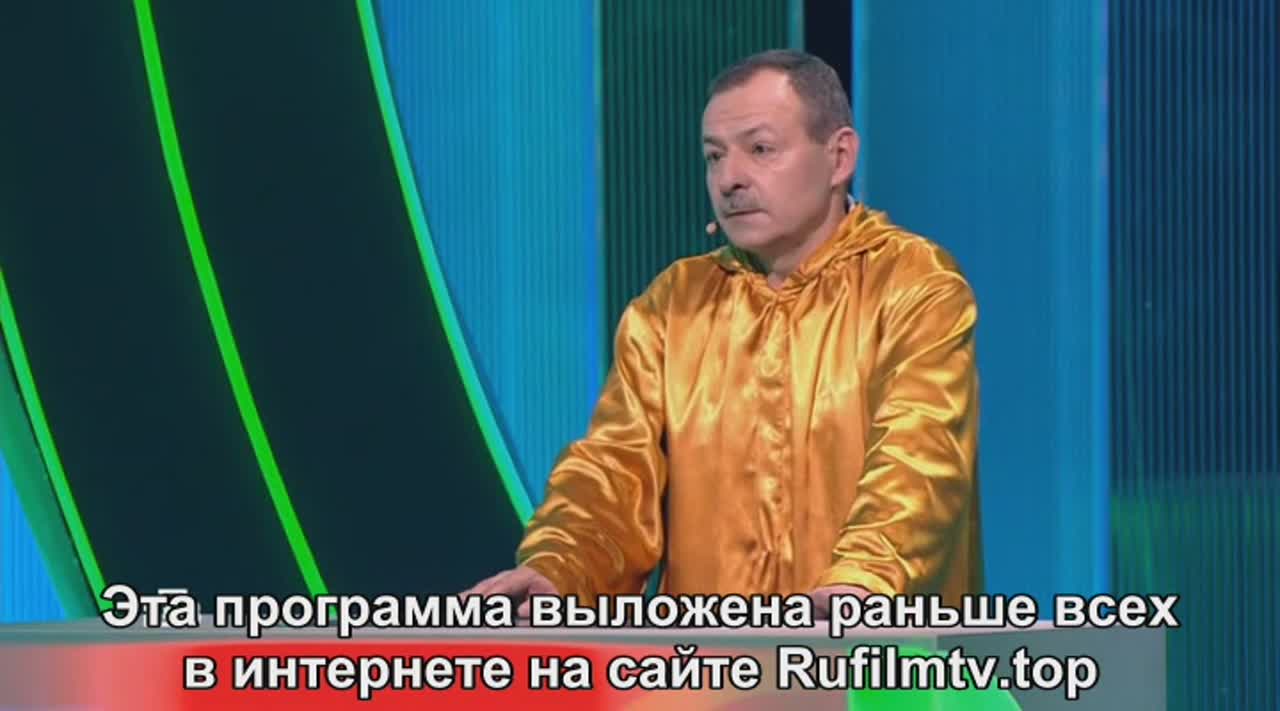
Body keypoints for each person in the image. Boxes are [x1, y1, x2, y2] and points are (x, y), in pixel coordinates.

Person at [465, 49, 982, 619]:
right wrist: (558, 570)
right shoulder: (673, 305)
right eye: (714, 156)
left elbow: (919, 454)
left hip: (874, 660)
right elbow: (615, 473)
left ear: (839, 158)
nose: (729, 179)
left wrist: (860, 586)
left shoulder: (914, 284)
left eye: (760, 149)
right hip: (707, 663)